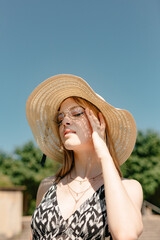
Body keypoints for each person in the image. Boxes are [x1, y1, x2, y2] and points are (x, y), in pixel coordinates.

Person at [26, 74, 143, 240]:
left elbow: (126, 235)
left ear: (100, 123)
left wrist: (103, 152)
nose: (65, 120)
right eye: (60, 118)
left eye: (76, 113)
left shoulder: (129, 188)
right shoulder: (47, 186)